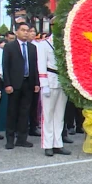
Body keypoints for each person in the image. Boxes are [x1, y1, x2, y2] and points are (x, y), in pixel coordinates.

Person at [36, 18, 72, 156]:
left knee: (59, 114)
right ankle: (47, 144)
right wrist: (43, 84)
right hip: (49, 81)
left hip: (62, 81)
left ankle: (58, 143)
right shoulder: (44, 44)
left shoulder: (66, 44)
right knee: (48, 114)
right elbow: (41, 65)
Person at [2, 22, 40, 149]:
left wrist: (36, 83)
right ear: (16, 31)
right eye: (23, 30)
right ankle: (10, 138)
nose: (25, 32)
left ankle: (22, 138)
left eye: (27, 30)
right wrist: (7, 84)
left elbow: (34, 67)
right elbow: (5, 66)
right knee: (12, 111)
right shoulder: (9, 47)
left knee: (25, 111)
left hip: (28, 83)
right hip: (14, 83)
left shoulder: (32, 48)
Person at [27, 26, 41, 137]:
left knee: (34, 105)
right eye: (29, 31)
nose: (31, 33)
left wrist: (37, 82)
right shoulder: (13, 46)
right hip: (20, 81)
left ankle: (33, 126)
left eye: (33, 31)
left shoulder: (37, 46)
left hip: (34, 80)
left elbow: (38, 66)